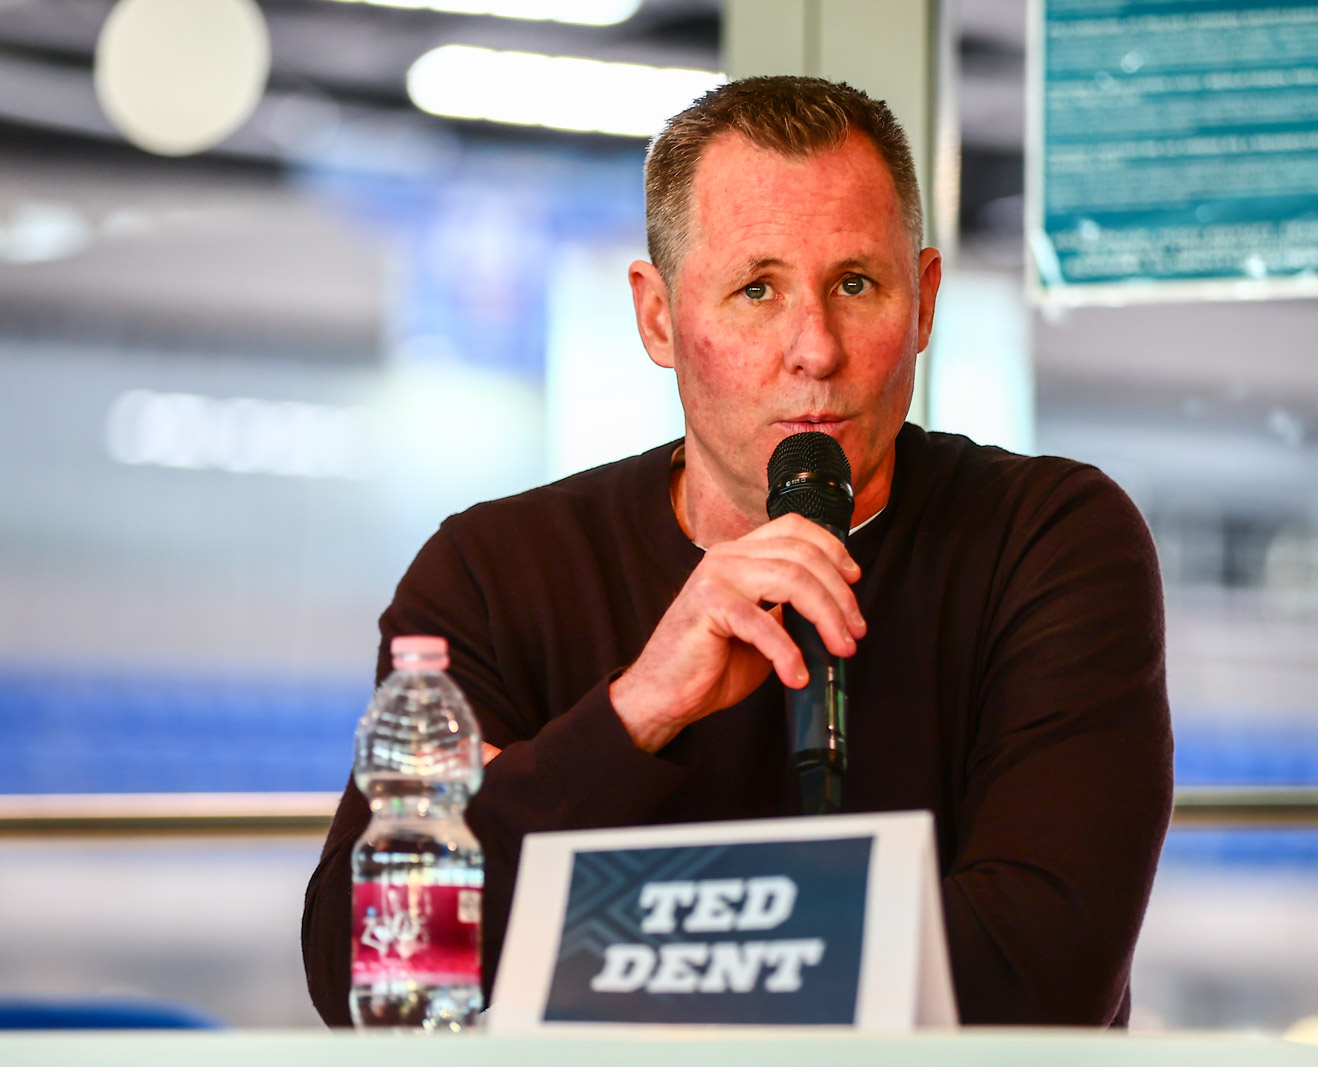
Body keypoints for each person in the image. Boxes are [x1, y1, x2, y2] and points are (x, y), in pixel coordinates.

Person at [303, 76, 1172, 1027]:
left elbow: (1036, 978)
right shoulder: (493, 571)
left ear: (923, 303)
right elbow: (377, 969)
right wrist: (635, 712)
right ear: (659, 317)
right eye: (757, 289)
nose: (816, 349)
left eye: (855, 284)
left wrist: (579, 912)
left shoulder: (1049, 540)